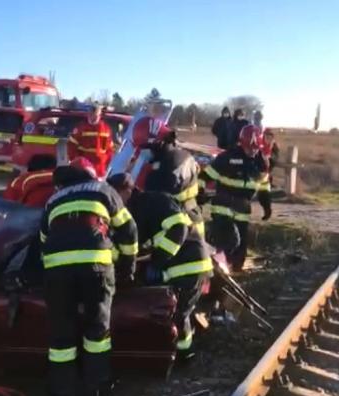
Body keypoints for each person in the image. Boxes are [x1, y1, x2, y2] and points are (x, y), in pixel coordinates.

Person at [40, 158, 138, 396]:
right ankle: (97, 386)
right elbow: (128, 229)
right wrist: (127, 266)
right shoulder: (103, 190)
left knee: (61, 333)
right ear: (93, 175)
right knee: (97, 329)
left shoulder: (54, 199)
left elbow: (43, 239)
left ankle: (62, 392)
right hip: (95, 265)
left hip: (57, 267)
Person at [108, 173, 212, 361]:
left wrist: (158, 260)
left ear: (128, 190)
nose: (113, 201)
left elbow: (179, 228)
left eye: (115, 195)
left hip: (190, 264)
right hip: (174, 266)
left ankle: (184, 354)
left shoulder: (154, 202)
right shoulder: (130, 211)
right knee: (169, 311)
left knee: (178, 313)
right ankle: (174, 351)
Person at [201, 124, 271, 272]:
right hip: (223, 205)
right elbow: (204, 177)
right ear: (241, 144)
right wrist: (199, 194)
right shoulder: (227, 158)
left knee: (240, 251)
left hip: (243, 208)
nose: (252, 151)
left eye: (255, 148)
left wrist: (266, 205)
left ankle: (232, 271)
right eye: (248, 148)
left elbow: (264, 186)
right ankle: (217, 270)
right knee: (230, 240)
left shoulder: (262, 163)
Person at [67, 104, 114, 178]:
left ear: (100, 115)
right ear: (88, 115)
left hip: (100, 169)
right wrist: (77, 162)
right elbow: (71, 146)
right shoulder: (81, 128)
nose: (93, 118)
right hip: (84, 167)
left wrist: (107, 162)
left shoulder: (106, 129)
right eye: (91, 115)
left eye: (96, 116)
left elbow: (109, 150)